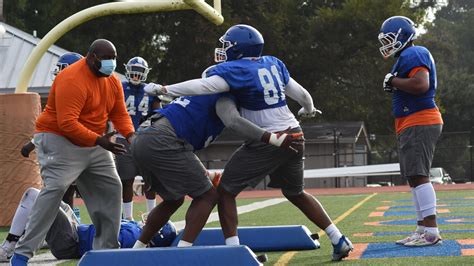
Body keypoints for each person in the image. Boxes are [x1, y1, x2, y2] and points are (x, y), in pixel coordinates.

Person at [144, 24, 353, 261]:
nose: (223, 49)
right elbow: (303, 96)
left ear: (237, 48)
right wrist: (308, 109)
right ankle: (338, 238)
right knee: (295, 192)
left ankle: (234, 250)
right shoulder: (274, 63)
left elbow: (204, 86)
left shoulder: (235, 69)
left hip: (270, 140)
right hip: (295, 133)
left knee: (224, 192)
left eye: (227, 45)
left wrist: (164, 88)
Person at [132, 67, 302, 248]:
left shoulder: (198, 96)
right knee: (208, 195)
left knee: (174, 199)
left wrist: (203, 172)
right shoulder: (223, 96)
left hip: (144, 137)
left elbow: (183, 144)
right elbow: (233, 121)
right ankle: (182, 251)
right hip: (164, 139)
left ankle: (137, 250)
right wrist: (272, 137)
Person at [10, 39, 135, 266]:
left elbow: (120, 114)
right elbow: (67, 123)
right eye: (106, 58)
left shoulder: (113, 82)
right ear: (91, 57)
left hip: (94, 140)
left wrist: (132, 137)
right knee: (56, 188)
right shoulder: (71, 79)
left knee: (112, 186)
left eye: (114, 58)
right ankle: (21, 253)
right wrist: (100, 140)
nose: (111, 63)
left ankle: (106, 253)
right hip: (59, 137)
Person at [379, 16, 443, 246]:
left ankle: (431, 232)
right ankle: (422, 228)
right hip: (411, 121)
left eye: (389, 39)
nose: (386, 44)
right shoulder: (407, 56)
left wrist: (394, 81)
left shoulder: (412, 54)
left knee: (419, 176)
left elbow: (421, 84)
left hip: (420, 119)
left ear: (402, 36)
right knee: (414, 178)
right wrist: (395, 81)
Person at [0, 188, 176, 262]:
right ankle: (37, 240)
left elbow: (104, 244)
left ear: (156, 233)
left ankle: (9, 247)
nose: (150, 218)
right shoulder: (137, 233)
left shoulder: (132, 237)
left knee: (34, 195)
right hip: (77, 232)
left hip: (71, 242)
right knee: (49, 196)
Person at [21, 52, 84, 209]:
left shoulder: (79, 95)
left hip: (73, 151)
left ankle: (68, 225)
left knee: (63, 191)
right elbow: (49, 125)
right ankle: (67, 224)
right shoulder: (62, 94)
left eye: (62, 69)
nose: (58, 73)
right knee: (63, 191)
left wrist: (31, 144)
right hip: (64, 151)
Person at [118, 56, 161, 220]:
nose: (136, 75)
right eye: (133, 72)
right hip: (123, 138)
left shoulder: (150, 90)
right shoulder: (120, 87)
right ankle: (127, 218)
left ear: (145, 73)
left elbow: (158, 114)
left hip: (145, 139)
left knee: (150, 179)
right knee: (126, 179)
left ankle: (152, 215)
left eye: (139, 72)